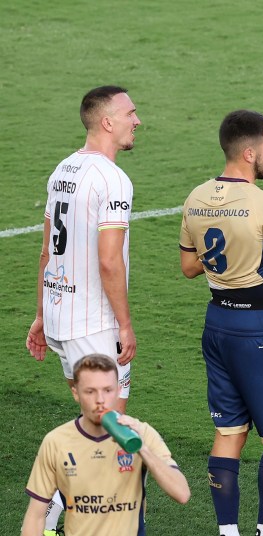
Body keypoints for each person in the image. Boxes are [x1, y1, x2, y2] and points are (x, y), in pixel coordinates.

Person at [179, 110, 263, 536]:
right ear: (251, 153)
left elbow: (189, 267)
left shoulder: (195, 197)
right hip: (260, 330)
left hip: (217, 325)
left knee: (229, 431)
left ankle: (227, 532)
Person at [25, 85, 141, 534]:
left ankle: (55, 520)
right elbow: (109, 260)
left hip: (61, 317)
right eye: (130, 113)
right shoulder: (113, 179)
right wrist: (124, 325)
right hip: (92, 323)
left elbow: (46, 251)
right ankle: (51, 521)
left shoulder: (63, 169)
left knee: (101, 429)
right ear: (107, 121)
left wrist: (41, 315)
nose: (137, 121)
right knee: (109, 434)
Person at [21, 354, 190, 536]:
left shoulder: (142, 432)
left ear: (118, 390)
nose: (100, 399)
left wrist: (142, 448)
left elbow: (182, 494)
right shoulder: (57, 442)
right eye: (90, 391)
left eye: (107, 390)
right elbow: (35, 516)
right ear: (76, 393)